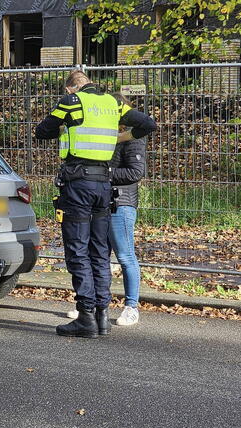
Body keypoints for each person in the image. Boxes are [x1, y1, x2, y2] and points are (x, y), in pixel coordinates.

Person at [35, 70, 156, 338]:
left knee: (77, 249)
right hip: (104, 185)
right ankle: (102, 316)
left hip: (78, 184)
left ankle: (85, 317)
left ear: (70, 89)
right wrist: (119, 137)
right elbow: (148, 124)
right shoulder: (113, 103)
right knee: (99, 250)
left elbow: (42, 132)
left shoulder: (72, 102)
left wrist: (65, 122)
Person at [65, 117, 146, 326]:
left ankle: (131, 307)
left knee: (125, 256)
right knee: (97, 254)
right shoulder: (100, 136)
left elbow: (136, 172)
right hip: (99, 201)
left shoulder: (131, 136)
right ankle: (90, 305)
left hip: (121, 204)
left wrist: (102, 173)